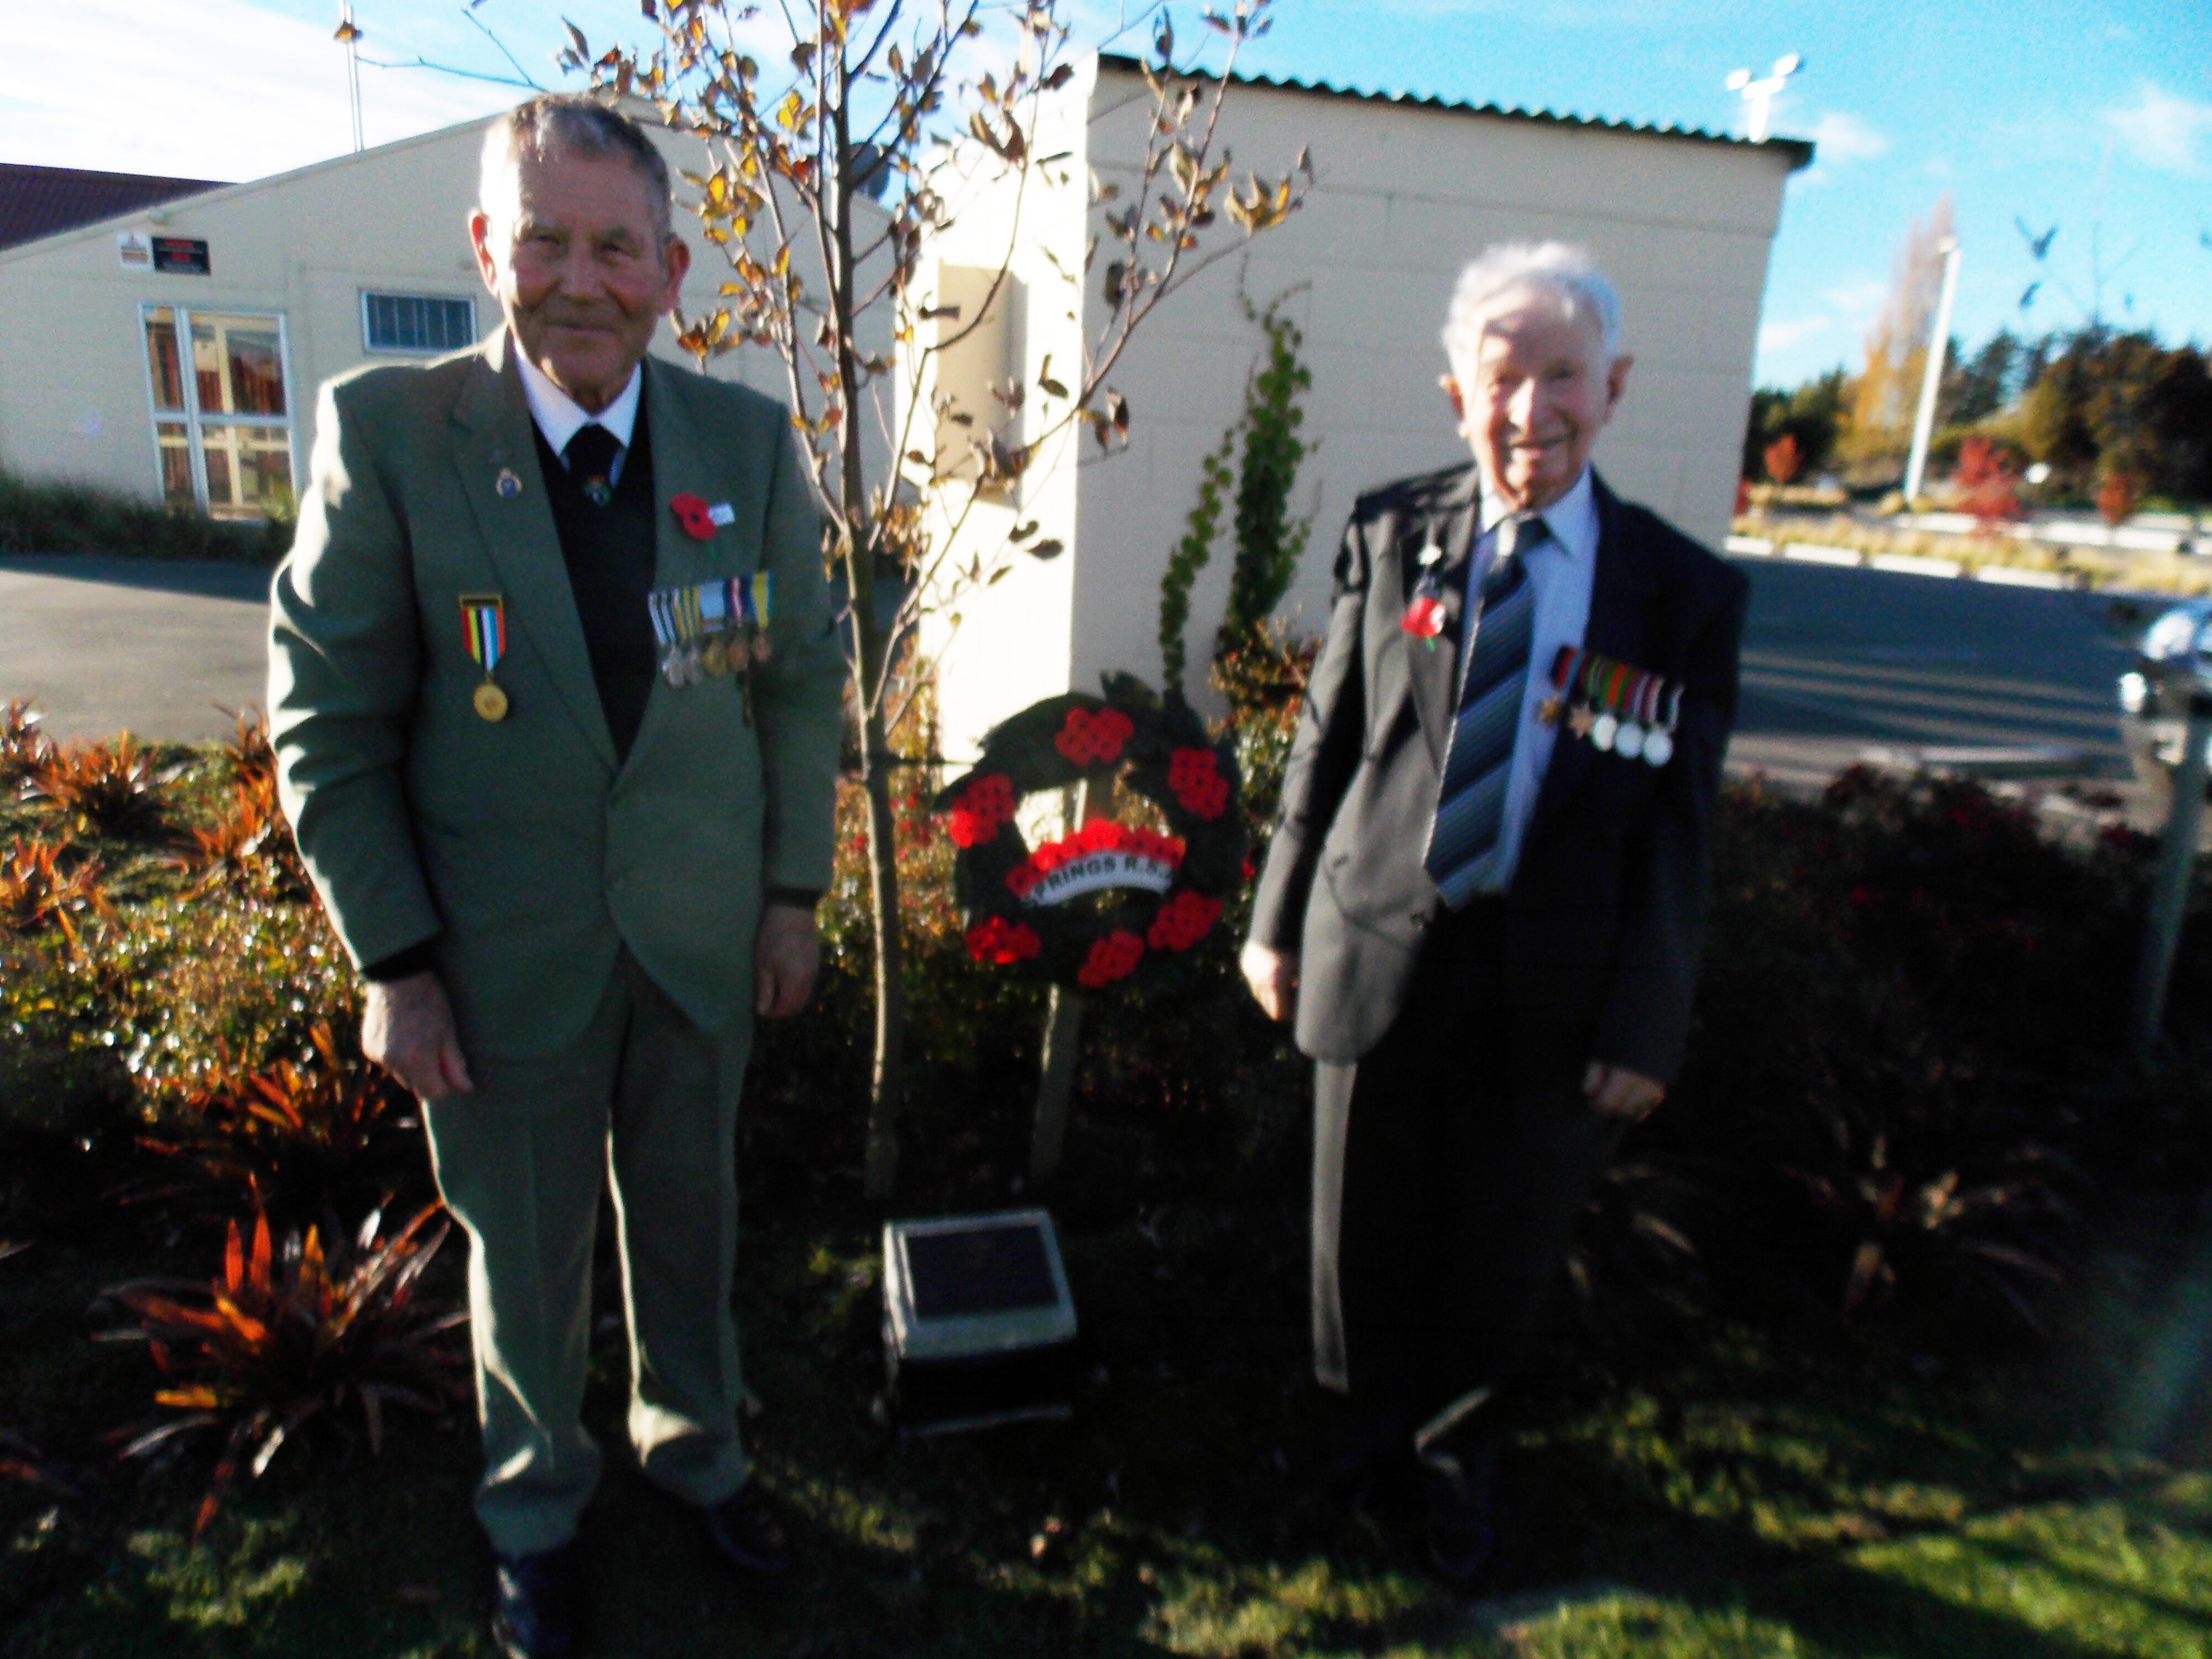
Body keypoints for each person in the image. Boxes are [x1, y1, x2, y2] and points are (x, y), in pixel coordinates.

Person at [267, 95, 844, 1658]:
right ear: (486, 247)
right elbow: (327, 715)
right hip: (496, 952)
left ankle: (696, 1450)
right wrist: (394, 962)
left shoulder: (745, 442)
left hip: (697, 929)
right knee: (524, 1257)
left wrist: (793, 892)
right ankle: (534, 1509)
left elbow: (795, 679)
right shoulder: (395, 435)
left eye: (614, 247)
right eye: (544, 239)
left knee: (692, 1221)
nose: (577, 279)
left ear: (668, 270)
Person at [1239, 242, 1746, 1588]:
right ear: (1456, 392)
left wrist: (1646, 1022)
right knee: (1357, 1229)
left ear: (1614, 386)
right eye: (1503, 379)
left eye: (1562, 377)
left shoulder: (1681, 596)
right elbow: (1325, 740)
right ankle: (1356, 1445)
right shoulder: (1391, 531)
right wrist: (1271, 916)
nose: (1533, 412)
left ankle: (1456, 1472)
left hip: (1551, 982)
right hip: (1376, 939)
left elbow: (1677, 829)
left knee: (1502, 1243)